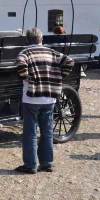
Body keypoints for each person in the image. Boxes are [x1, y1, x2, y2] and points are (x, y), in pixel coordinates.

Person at [14, 28, 75, 174]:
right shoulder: (51, 52)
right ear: (41, 39)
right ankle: (47, 163)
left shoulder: (25, 53)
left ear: (27, 40)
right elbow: (70, 61)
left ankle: (30, 165)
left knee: (30, 133)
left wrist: (26, 77)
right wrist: (59, 76)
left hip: (32, 97)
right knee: (47, 132)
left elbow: (20, 64)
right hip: (49, 97)